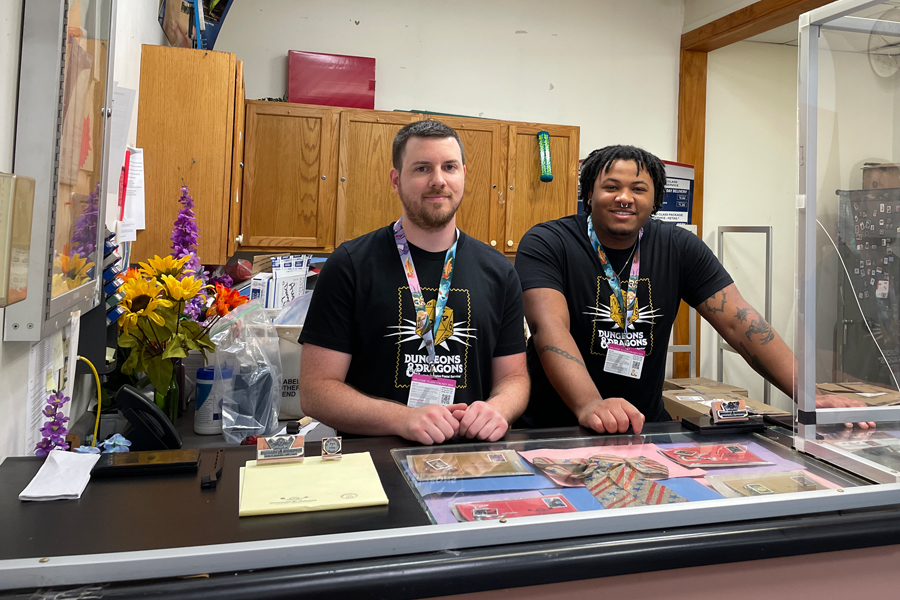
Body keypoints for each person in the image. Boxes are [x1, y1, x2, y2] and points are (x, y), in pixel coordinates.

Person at [515, 144, 872, 434]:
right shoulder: (549, 242)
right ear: (588, 195)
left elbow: (740, 321)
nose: (625, 197)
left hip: (643, 427)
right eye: (611, 187)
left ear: (655, 201)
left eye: (639, 189)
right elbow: (551, 330)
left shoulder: (678, 247)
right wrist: (591, 404)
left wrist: (809, 395)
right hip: (555, 427)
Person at [298, 120, 529, 445]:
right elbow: (316, 390)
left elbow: (515, 377)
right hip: (374, 468)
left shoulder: (498, 271)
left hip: (470, 464)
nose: (438, 180)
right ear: (396, 180)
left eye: (449, 167)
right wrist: (402, 419)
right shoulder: (350, 265)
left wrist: (498, 409)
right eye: (422, 168)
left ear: (463, 173)